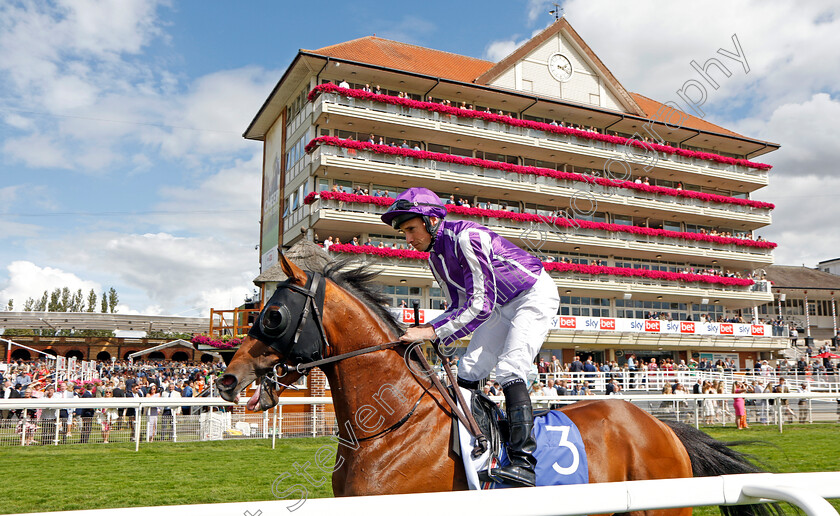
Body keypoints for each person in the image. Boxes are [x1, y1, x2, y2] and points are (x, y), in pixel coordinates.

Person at [384, 187, 560, 487]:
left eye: (411, 229)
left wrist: (431, 332)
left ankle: (523, 462)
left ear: (431, 220)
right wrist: (422, 332)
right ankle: (475, 442)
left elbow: (479, 305)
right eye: (404, 232)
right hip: (500, 306)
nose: (408, 239)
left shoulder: (467, 237)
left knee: (510, 369)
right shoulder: (435, 258)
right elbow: (456, 306)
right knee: (467, 370)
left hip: (533, 294)